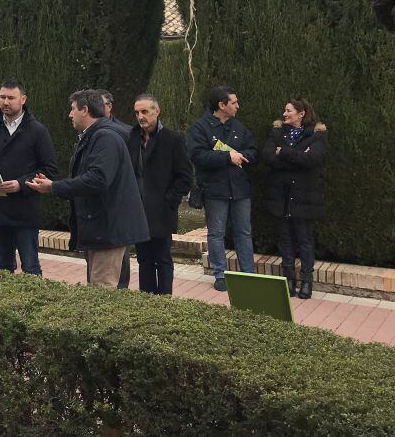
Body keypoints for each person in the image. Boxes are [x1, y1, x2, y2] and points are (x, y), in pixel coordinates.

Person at [29, 90, 149, 289]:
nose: (70, 114)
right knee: (97, 289)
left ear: (85, 110)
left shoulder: (105, 137)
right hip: (100, 229)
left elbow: (98, 179)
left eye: (73, 109)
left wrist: (54, 187)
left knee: (102, 291)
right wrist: (54, 185)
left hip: (108, 230)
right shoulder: (93, 136)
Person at [0, 79, 58, 275]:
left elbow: (50, 169)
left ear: (23, 99)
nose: (5, 102)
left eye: (11, 98)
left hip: (25, 211)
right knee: (3, 267)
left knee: (30, 267)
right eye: (2, 97)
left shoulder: (37, 130)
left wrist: (21, 184)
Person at [188, 86, 258, 292]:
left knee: (244, 232)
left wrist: (245, 156)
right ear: (221, 105)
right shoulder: (200, 128)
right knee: (216, 233)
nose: (238, 106)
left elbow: (253, 151)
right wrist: (227, 157)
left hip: (240, 189)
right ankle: (220, 274)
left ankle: (248, 273)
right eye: (234, 102)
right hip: (215, 190)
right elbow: (197, 155)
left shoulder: (239, 127)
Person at [262, 98, 327, 299]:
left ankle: (307, 281)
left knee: (304, 239)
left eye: (289, 111)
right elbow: (268, 157)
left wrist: (285, 152)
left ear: (301, 114)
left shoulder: (317, 135)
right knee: (286, 239)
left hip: (303, 197)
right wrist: (297, 157)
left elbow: (313, 160)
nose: (284, 114)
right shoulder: (276, 133)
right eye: (284, 110)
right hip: (281, 196)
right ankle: (289, 279)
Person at [128, 94, 194, 294]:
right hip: (138, 211)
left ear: (157, 111)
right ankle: (147, 300)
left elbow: (185, 177)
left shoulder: (173, 139)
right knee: (144, 259)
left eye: (145, 111)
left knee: (163, 259)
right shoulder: (131, 137)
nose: (141, 116)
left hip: (161, 211)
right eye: (137, 112)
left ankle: (164, 301)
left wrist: (169, 201)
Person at [96, 88, 137, 289]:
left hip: (118, 203)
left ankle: (122, 290)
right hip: (96, 209)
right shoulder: (87, 132)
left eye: (99, 104)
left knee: (120, 253)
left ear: (109, 107)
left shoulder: (125, 132)